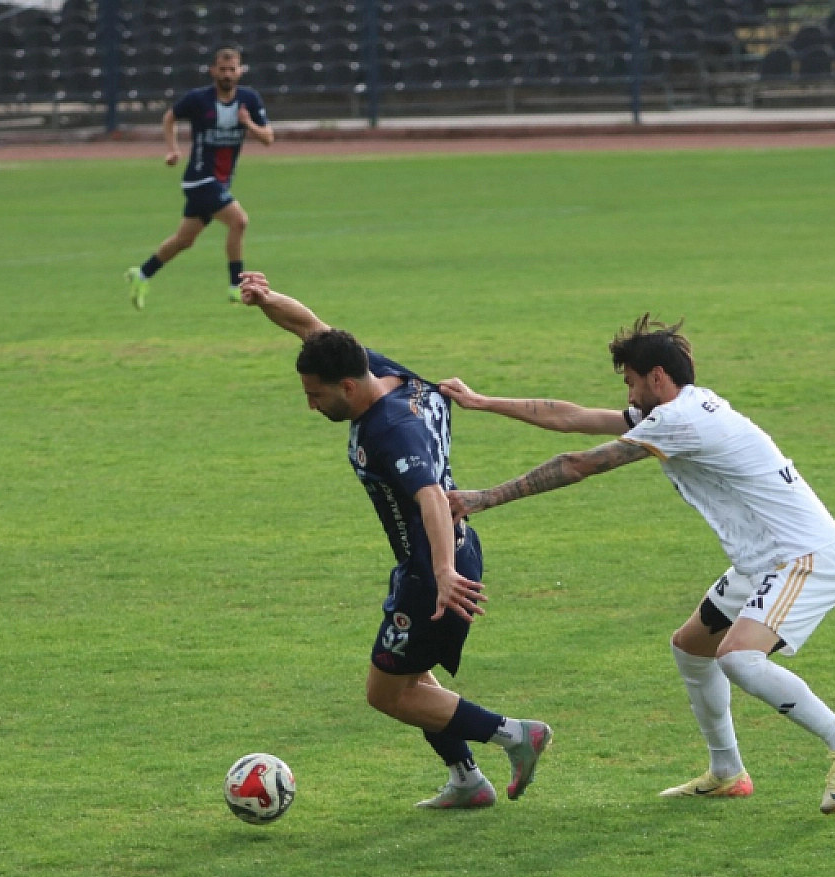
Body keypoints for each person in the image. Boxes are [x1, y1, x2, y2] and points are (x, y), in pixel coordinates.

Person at [441, 317, 835, 816]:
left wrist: (485, 498)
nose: (628, 392)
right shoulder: (681, 408)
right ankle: (726, 771)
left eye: (630, 380)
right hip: (761, 560)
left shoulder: (680, 421)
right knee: (692, 648)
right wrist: (482, 402)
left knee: (738, 658)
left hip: (802, 556)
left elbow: (579, 462)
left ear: (657, 377)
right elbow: (573, 416)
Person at [237, 270, 553, 810]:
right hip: (430, 559)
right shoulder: (378, 372)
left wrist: (444, 573)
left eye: (315, 395)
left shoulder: (391, 430)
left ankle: (516, 736)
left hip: (436, 568)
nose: (311, 405)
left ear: (348, 388)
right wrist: (267, 300)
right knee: (411, 673)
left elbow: (430, 495)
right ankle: (467, 781)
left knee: (386, 692)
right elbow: (310, 326)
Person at [127, 48, 274, 309]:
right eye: (223, 69)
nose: (227, 74)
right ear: (213, 71)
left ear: (240, 71)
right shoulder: (198, 99)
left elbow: (268, 139)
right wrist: (172, 149)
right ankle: (234, 287)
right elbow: (170, 116)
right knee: (239, 221)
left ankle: (141, 274)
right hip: (199, 179)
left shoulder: (249, 100)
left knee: (185, 239)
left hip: (221, 181)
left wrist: (248, 123)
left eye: (232, 69)